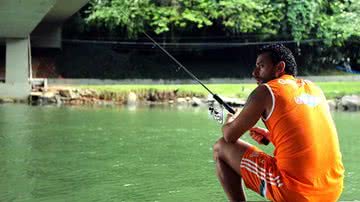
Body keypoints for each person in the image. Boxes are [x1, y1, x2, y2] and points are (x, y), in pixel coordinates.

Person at [213, 44, 344, 201]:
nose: (254, 73)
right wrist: (271, 136)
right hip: (332, 189)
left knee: (221, 147)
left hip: (294, 191)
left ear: (280, 67)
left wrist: (230, 120)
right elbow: (313, 136)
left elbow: (229, 136)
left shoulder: (266, 91)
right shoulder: (314, 89)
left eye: (261, 66)